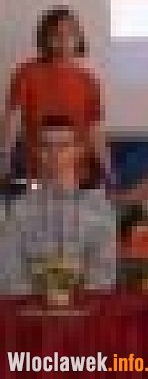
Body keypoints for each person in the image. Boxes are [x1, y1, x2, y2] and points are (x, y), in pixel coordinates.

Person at [0, 114, 116, 295]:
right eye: (46, 146)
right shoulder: (19, 210)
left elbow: (104, 275)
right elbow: (10, 274)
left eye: (63, 146)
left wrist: (73, 303)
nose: (54, 153)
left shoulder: (100, 208)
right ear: (36, 152)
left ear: (79, 150)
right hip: (30, 309)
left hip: (86, 308)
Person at [1, 6, 110, 183]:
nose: (64, 40)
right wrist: (4, 158)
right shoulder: (27, 72)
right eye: (57, 34)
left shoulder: (89, 80)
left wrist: (107, 169)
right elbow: (11, 119)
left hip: (78, 174)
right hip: (38, 173)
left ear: (78, 38)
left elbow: (96, 130)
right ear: (45, 38)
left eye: (70, 34)